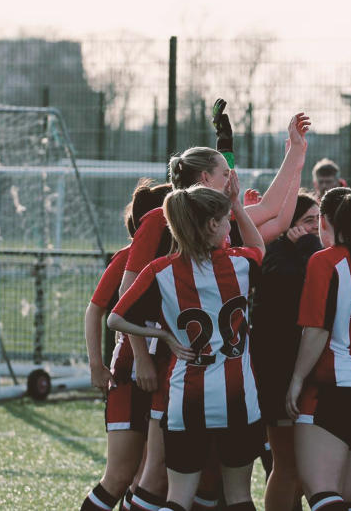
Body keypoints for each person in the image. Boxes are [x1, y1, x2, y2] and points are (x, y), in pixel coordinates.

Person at [119, 114, 309, 511]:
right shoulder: (165, 224)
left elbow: (275, 211)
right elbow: (123, 298)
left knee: (196, 485)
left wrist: (296, 151)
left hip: (193, 370)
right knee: (154, 475)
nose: (233, 179)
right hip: (170, 365)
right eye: (226, 172)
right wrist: (143, 355)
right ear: (207, 181)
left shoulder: (216, 238)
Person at [107, 181, 265, 511]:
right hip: (239, 397)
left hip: (186, 398)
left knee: (178, 496)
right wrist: (236, 205)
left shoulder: (161, 270)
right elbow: (259, 249)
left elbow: (115, 319)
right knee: (239, 496)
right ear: (212, 224)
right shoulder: (242, 263)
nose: (228, 229)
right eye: (225, 222)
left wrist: (165, 337)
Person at [285, 187, 351, 511]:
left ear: (326, 221)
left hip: (332, 387)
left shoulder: (324, 261)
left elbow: (316, 330)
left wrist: (296, 379)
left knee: (322, 493)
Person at [80, 180, 171, 511]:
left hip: (170, 372)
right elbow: (96, 310)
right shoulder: (130, 257)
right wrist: (96, 364)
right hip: (132, 373)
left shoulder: (184, 255)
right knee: (120, 476)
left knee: (150, 478)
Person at [250, 192, 322, 511]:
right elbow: (302, 290)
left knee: (310, 469)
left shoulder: (314, 252)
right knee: (287, 466)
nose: (317, 227)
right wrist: (305, 248)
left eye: (321, 220)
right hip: (279, 374)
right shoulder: (278, 256)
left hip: (309, 373)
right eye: (309, 221)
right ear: (290, 226)